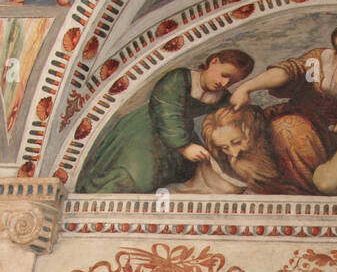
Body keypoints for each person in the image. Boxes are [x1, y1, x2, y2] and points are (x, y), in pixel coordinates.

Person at [229, 22, 337, 190]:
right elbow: (290, 71)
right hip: (300, 116)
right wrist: (247, 87)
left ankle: (314, 191)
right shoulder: (322, 59)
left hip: (335, 136)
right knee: (284, 128)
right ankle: (297, 191)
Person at [77, 49, 254, 193]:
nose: (223, 82)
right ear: (213, 62)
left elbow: (233, 118)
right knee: (139, 175)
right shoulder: (179, 78)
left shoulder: (221, 97)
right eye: (224, 74)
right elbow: (167, 111)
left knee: (187, 173)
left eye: (231, 81)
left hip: (180, 131)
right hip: (147, 127)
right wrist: (184, 147)